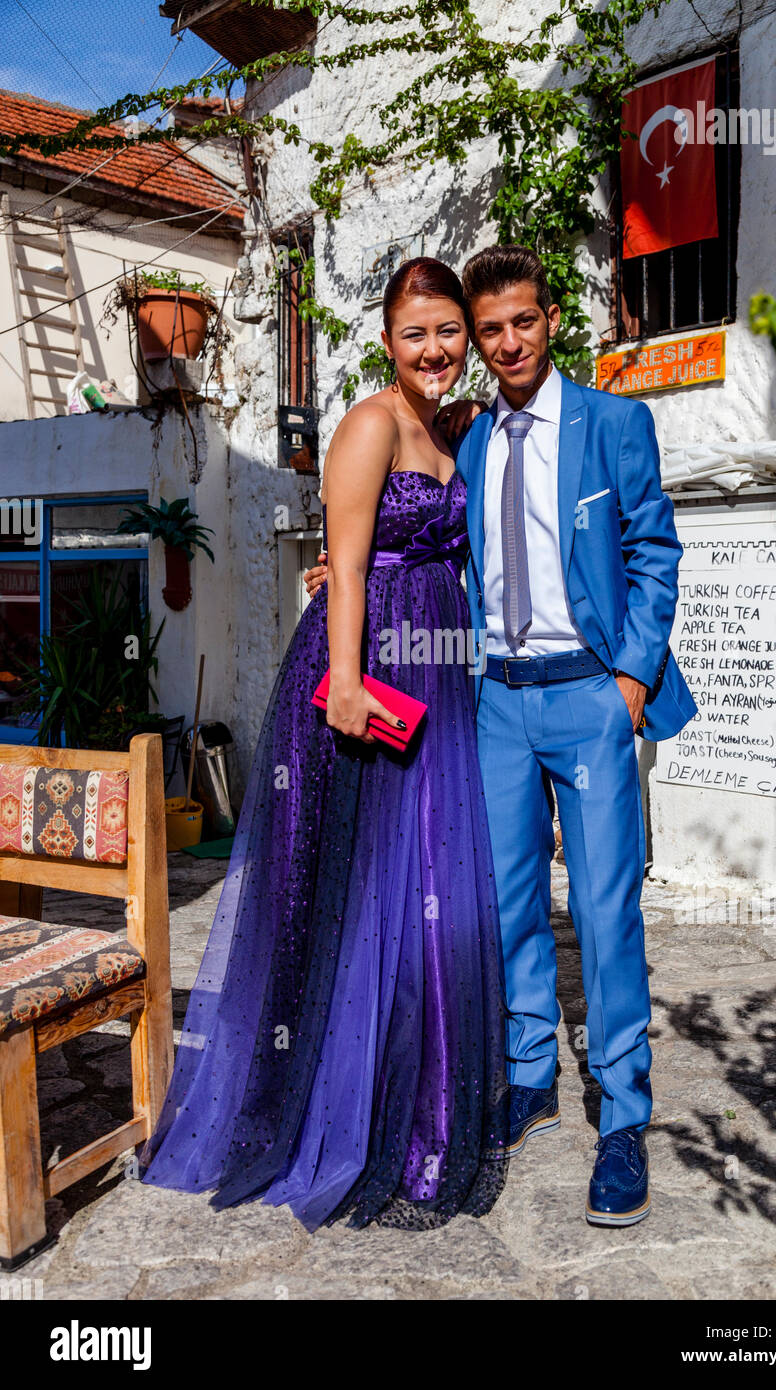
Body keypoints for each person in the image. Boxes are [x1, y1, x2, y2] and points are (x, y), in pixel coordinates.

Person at [307, 244, 698, 1227]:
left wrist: (630, 683)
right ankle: (529, 1073)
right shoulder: (468, 436)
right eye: (489, 329)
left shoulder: (613, 424)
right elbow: (402, 538)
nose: (505, 339)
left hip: (588, 697)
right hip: (492, 701)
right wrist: (339, 595)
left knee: (605, 913)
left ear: (550, 319)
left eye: (520, 320)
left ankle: (621, 1114)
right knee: (509, 901)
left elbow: (652, 547)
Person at [139, 257, 509, 1232]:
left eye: (447, 332)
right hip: (361, 671)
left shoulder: (457, 428)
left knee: (422, 889)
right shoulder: (369, 424)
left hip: (433, 662)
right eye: (415, 333)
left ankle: (418, 1105)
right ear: (388, 341)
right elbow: (339, 565)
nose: (433, 349)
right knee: (343, 890)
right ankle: (318, 1107)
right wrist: (344, 684)